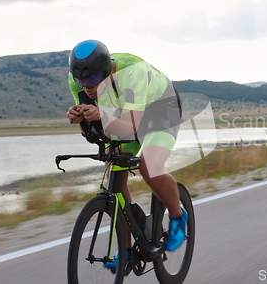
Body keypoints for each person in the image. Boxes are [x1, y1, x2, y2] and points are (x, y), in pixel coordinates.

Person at [65, 39, 187, 267]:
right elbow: (91, 131)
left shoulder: (132, 73)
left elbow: (131, 127)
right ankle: (127, 249)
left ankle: (178, 216)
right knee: (114, 174)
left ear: (104, 70)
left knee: (149, 166)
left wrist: (101, 116)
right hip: (126, 112)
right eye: (81, 81)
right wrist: (79, 118)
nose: (86, 87)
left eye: (92, 80)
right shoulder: (78, 82)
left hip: (161, 107)